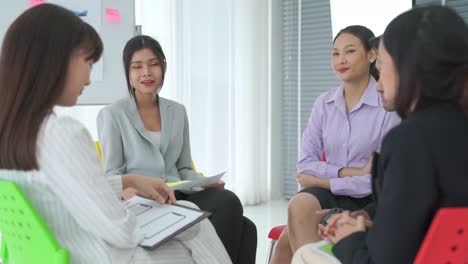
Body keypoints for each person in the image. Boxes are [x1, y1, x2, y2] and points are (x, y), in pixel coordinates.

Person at [0, 4, 231, 264]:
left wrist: (129, 180)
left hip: (60, 252)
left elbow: (68, 188)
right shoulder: (63, 133)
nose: (89, 78)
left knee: (190, 214)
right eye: (87, 61)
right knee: (192, 225)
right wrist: (156, 221)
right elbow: (120, 231)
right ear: (56, 59)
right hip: (103, 256)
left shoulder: (15, 133)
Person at [297, 5, 468, 264]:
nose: (378, 84)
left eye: (381, 65)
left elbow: (381, 259)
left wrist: (347, 237)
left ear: (408, 67)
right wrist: (369, 215)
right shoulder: (453, 129)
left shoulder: (409, 141)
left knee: (305, 254)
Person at [97, 35, 257, 264]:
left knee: (229, 202)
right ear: (128, 72)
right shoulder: (113, 114)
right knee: (244, 227)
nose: (146, 72)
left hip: (177, 192)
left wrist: (204, 182)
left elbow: (183, 167)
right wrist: (131, 189)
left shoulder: (177, 111)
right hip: (144, 199)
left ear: (163, 66)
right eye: (137, 66)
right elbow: (112, 174)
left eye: (153, 64)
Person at [270, 25, 400, 264]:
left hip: (371, 198)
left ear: (371, 55)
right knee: (299, 204)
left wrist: (321, 180)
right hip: (332, 195)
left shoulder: (387, 104)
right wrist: (346, 173)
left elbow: (376, 177)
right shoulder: (324, 103)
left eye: (350, 51)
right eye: (335, 53)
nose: (341, 60)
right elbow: (305, 164)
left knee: (286, 245)